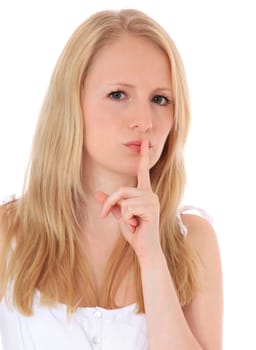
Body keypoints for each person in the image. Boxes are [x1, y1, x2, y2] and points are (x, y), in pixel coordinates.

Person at [0, 8, 223, 350]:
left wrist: (151, 256)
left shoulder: (192, 241)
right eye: (119, 94)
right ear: (71, 102)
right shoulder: (9, 233)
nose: (143, 120)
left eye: (160, 99)